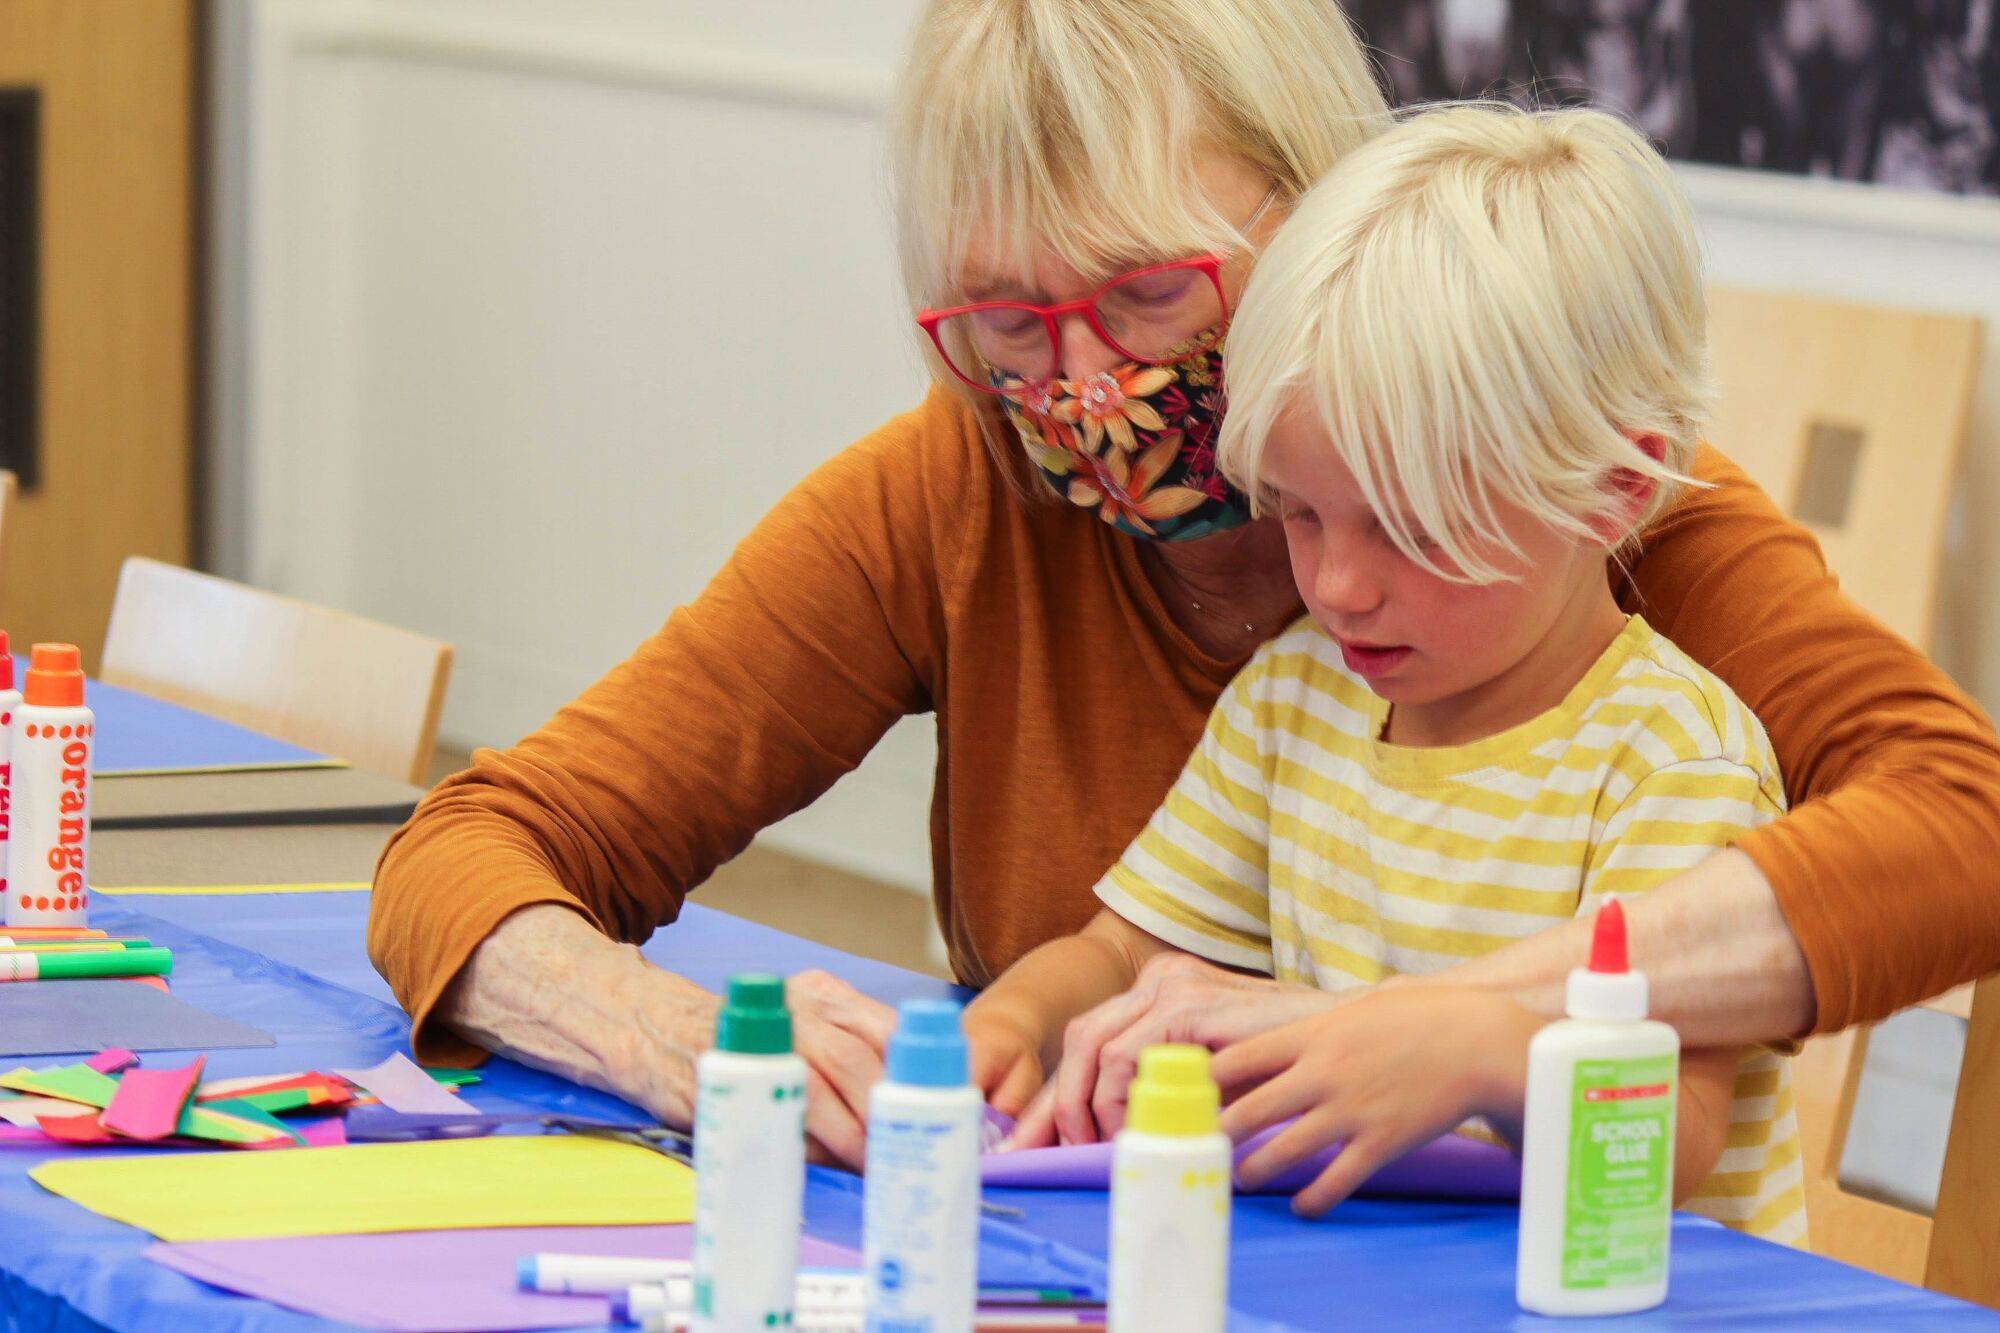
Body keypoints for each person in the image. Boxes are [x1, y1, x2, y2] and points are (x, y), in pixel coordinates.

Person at [366, 0, 2000, 1171]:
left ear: (1319, 207)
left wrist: (1430, 1024)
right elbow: (474, 847)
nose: (1082, 389)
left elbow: (1961, 826)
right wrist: (670, 1037)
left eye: (1149, 294)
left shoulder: (1566, 506)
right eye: (1009, 324)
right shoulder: (955, 486)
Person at [986, 102, 1803, 1243]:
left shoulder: (1668, 760)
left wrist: (1474, 1051)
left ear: (1613, 490)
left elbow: (1670, 1137)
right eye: (1302, 514)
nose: (1336, 587)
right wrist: (1013, 1020)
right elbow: (1130, 950)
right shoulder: (1296, 694)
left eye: (1409, 531)